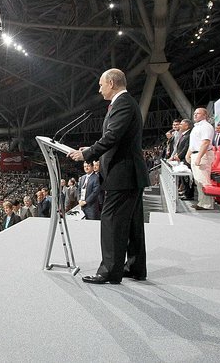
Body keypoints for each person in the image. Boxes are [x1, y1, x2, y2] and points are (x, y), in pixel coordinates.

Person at [68, 68, 149, 284]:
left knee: (111, 221)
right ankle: (135, 267)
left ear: (112, 83)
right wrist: (91, 148)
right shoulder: (124, 103)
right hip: (128, 173)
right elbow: (116, 137)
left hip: (122, 174)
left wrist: (87, 153)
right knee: (132, 223)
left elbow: (112, 136)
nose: (99, 88)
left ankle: (109, 271)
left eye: (101, 84)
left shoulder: (122, 103)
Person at [188, 107, 215, 210]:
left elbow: (205, 142)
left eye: (198, 113)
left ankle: (207, 204)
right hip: (196, 154)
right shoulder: (196, 127)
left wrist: (199, 157)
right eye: (194, 113)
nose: (195, 115)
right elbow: (194, 143)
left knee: (203, 179)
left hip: (203, 154)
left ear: (204, 115)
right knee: (198, 180)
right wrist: (188, 154)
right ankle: (201, 202)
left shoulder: (206, 126)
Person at [171, 119, 194, 200]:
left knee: (186, 178)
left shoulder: (189, 135)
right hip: (181, 158)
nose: (179, 125)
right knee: (183, 178)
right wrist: (177, 154)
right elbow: (179, 147)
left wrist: (179, 156)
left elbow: (186, 148)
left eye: (181, 124)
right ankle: (185, 191)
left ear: (186, 126)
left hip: (185, 159)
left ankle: (189, 195)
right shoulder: (183, 134)